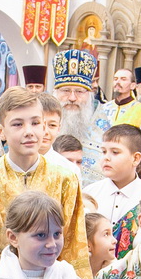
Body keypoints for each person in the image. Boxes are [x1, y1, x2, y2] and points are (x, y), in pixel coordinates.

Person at [0, 86, 89, 279]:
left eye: (35, 123)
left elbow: (74, 245)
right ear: (1, 131)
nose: (29, 132)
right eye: (17, 124)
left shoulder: (65, 179)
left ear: (44, 127)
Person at [86, 124, 141, 247]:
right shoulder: (90, 193)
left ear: (136, 158)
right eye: (103, 152)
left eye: (115, 152)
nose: (106, 158)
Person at [52, 49, 103, 184]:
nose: (72, 98)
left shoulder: (105, 127)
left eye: (79, 92)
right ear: (55, 92)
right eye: (66, 90)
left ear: (90, 94)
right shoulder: (41, 124)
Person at [93, 68, 141, 134]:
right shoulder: (103, 108)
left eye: (123, 79)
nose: (118, 82)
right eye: (115, 79)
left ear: (132, 86)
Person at [38, 93, 80, 177]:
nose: (46, 131)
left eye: (52, 125)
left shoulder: (69, 170)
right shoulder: (12, 164)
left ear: (58, 128)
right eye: (39, 124)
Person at [84, 211, 114, 275]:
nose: (115, 240)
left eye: (112, 234)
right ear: (88, 244)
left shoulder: (115, 270)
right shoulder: (72, 271)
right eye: (106, 234)